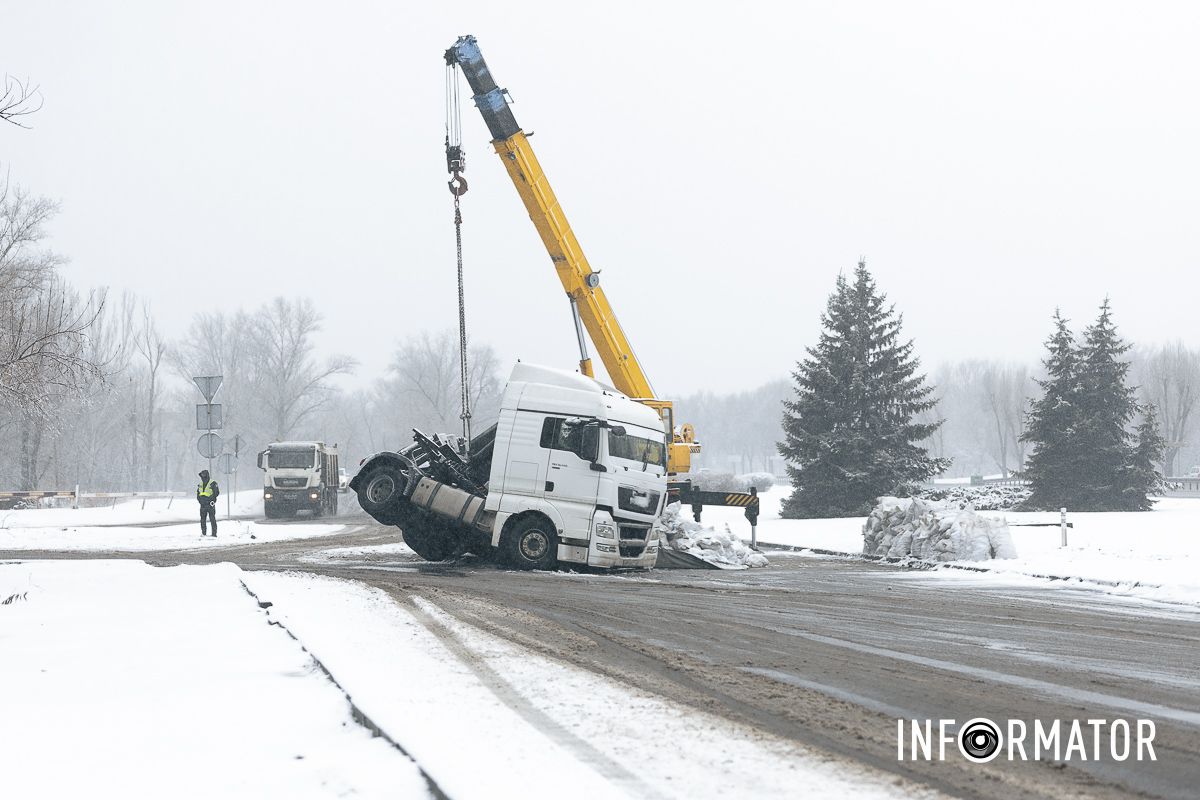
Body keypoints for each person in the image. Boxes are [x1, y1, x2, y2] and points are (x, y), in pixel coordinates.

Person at [197, 469, 220, 537]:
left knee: (212, 519)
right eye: (201, 475)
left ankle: (214, 534)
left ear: (207, 475)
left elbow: (217, 492)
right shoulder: (200, 484)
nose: (202, 476)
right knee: (202, 519)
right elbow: (198, 493)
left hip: (210, 504)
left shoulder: (213, 483)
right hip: (203, 505)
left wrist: (211, 499)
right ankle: (203, 533)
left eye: (203, 475)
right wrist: (200, 500)